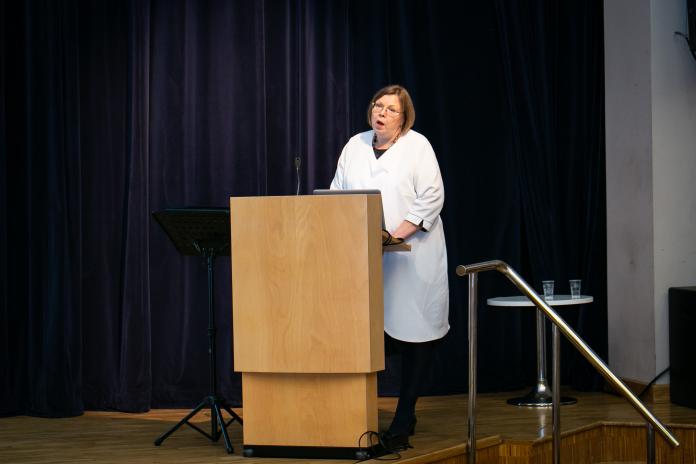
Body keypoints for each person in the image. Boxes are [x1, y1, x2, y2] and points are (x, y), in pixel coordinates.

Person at [330, 85, 449, 449]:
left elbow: (432, 197)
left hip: (412, 257)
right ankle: (353, 413)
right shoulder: (354, 145)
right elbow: (336, 194)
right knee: (365, 335)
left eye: (391, 109)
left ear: (404, 118)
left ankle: (403, 416)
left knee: (414, 335)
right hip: (364, 259)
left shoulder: (418, 146)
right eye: (378, 106)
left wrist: (393, 237)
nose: (381, 113)